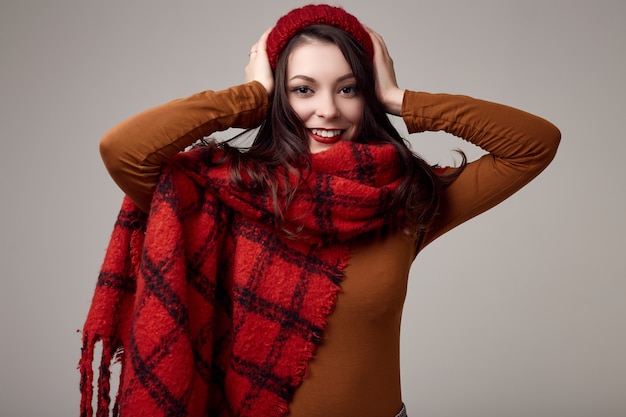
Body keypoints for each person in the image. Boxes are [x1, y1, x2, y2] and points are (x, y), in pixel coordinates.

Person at [79, 4, 560, 417]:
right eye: (302, 89)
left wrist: (399, 99)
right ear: (278, 96)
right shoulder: (225, 191)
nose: (327, 110)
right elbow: (123, 149)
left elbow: (533, 145)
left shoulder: (407, 197)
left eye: (349, 89)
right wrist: (250, 99)